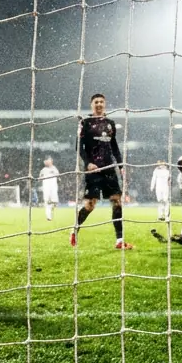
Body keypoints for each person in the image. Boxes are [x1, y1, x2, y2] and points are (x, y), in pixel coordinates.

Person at [71, 93, 132, 250]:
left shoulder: (110, 123)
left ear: (105, 104)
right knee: (90, 205)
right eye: (96, 102)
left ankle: (119, 240)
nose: (99, 104)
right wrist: (88, 163)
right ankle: (75, 229)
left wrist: (121, 166)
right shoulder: (85, 122)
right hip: (93, 170)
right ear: (92, 105)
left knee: (117, 201)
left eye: (101, 102)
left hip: (109, 169)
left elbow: (114, 147)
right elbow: (79, 146)